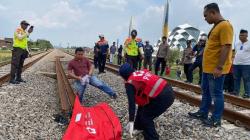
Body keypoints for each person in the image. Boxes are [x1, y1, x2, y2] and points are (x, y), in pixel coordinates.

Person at [188, 3, 234, 127]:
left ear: (213, 12)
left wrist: (219, 67)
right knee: (206, 92)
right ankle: (203, 112)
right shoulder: (216, 26)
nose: (205, 18)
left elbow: (227, 46)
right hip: (208, 68)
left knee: (216, 94)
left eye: (206, 15)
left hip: (216, 69)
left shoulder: (225, 26)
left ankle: (216, 119)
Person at [119, 63, 174, 140]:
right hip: (168, 90)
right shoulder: (138, 73)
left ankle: (153, 138)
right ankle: (138, 126)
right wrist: (135, 124)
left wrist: (131, 121)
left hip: (163, 98)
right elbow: (142, 102)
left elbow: (132, 104)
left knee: (146, 117)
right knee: (144, 108)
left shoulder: (130, 83)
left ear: (123, 76)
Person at [233, 29, 250, 98]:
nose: (241, 36)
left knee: (246, 79)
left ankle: (247, 94)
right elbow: (236, 53)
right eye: (240, 35)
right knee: (236, 78)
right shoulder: (237, 43)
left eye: (243, 35)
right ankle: (236, 92)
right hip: (236, 64)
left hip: (246, 65)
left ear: (247, 36)